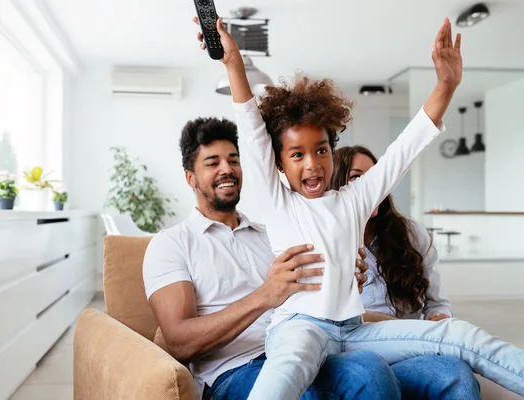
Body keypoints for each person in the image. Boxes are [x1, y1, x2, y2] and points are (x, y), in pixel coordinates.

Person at [196, 15, 524, 400]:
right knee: (280, 381)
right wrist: (233, 64)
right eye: (297, 155)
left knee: (458, 335)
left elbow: (405, 147)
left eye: (321, 150)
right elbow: (251, 128)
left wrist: (446, 86)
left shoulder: (354, 199)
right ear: (280, 165)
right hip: (299, 328)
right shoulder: (277, 200)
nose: (312, 163)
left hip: (353, 329)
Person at [143, 117, 486, 400]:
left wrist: (348, 286)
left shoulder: (275, 234)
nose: (227, 169)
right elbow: (178, 340)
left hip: (323, 350)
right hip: (237, 371)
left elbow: (328, 309)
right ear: (190, 177)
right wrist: (266, 295)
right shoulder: (171, 244)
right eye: (212, 162)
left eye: (233, 159)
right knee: (366, 372)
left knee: (451, 373)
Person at [331, 145, 482, 398]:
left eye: (376, 176)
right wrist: (404, 328)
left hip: (411, 351)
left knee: (457, 374)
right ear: (338, 185)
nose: (370, 185)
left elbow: (437, 303)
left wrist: (439, 318)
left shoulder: (412, 234)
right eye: (357, 176)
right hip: (356, 354)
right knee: (372, 375)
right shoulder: (324, 240)